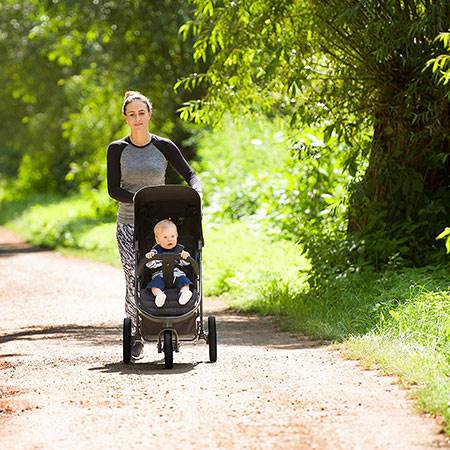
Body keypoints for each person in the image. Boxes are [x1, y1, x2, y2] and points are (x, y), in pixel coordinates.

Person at [106, 91, 202, 359]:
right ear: (126, 118)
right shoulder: (117, 149)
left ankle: (170, 326)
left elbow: (190, 174)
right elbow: (113, 189)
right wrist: (139, 200)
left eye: (141, 113)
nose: (137, 118)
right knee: (134, 277)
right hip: (128, 224)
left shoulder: (164, 146)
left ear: (149, 114)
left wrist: (196, 191)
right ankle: (136, 333)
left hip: (159, 225)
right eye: (131, 114)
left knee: (171, 268)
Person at [145, 219, 193, 308]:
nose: (169, 240)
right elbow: (151, 265)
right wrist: (150, 258)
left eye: (172, 236)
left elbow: (185, 264)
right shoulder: (155, 251)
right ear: (157, 240)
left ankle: (185, 293)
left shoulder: (179, 250)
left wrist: (186, 257)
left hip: (177, 274)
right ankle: (159, 295)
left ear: (177, 236)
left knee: (185, 282)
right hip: (160, 275)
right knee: (154, 286)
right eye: (165, 237)